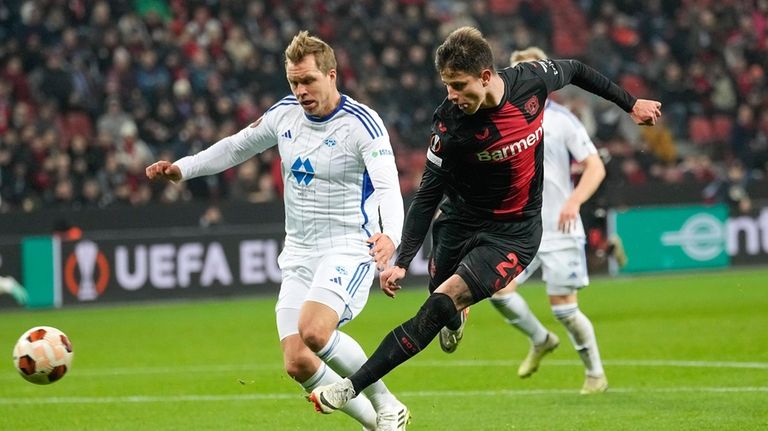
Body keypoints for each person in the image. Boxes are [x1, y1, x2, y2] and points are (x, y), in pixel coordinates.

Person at [308, 26, 661, 414]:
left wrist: (630, 104)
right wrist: (403, 260)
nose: (452, 97)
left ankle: (351, 387)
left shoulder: (530, 82)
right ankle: (455, 317)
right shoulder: (449, 125)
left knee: (440, 304)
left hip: (514, 233)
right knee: (439, 293)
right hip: (459, 221)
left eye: (459, 86)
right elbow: (427, 195)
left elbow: (576, 69)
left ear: (487, 76)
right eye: (447, 86)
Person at [146, 31, 410, 431]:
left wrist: (391, 235)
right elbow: (236, 147)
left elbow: (389, 186)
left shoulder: (362, 124)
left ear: (332, 75)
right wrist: (183, 168)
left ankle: (388, 404)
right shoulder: (284, 114)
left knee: (315, 330)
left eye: (308, 81)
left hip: (348, 246)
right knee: (298, 361)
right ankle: (376, 425)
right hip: (299, 252)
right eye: (293, 82)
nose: (300, 90)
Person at [440, 46, 610, 394]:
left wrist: (574, 202)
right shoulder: (489, 122)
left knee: (565, 309)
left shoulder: (561, 120)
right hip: (514, 229)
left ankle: (595, 373)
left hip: (559, 227)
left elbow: (595, 165)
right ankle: (540, 339)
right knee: (499, 291)